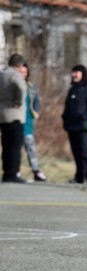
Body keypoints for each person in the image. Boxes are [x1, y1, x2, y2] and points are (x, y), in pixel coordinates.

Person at [62, 64, 87, 185]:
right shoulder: (72, 90)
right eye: (73, 72)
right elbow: (67, 107)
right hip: (72, 127)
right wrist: (64, 118)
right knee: (76, 151)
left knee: (84, 150)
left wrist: (85, 116)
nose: (74, 75)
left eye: (76, 72)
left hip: (84, 127)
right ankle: (79, 176)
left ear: (83, 74)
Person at [0, 53, 28, 183]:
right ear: (19, 65)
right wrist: (19, 101)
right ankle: (13, 173)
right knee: (15, 146)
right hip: (15, 114)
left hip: (2, 114)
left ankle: (6, 173)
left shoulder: (2, 74)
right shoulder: (15, 75)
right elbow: (22, 89)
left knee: (5, 146)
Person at [21, 63, 47, 182]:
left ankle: (36, 170)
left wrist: (35, 113)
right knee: (14, 148)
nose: (22, 75)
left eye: (24, 72)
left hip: (27, 121)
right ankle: (14, 170)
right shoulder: (9, 85)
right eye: (20, 72)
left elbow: (36, 101)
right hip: (14, 121)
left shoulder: (31, 87)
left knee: (30, 147)